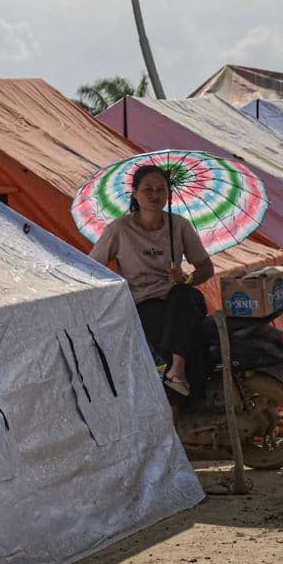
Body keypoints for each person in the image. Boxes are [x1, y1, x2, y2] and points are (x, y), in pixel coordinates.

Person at [88, 165, 215, 398]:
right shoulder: (119, 230)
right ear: (134, 193)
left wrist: (186, 277)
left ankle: (177, 371)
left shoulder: (179, 226)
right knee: (182, 338)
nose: (154, 194)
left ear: (168, 194)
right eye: (148, 189)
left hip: (181, 300)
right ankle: (179, 386)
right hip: (143, 303)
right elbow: (91, 268)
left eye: (160, 189)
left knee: (182, 296)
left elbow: (206, 268)